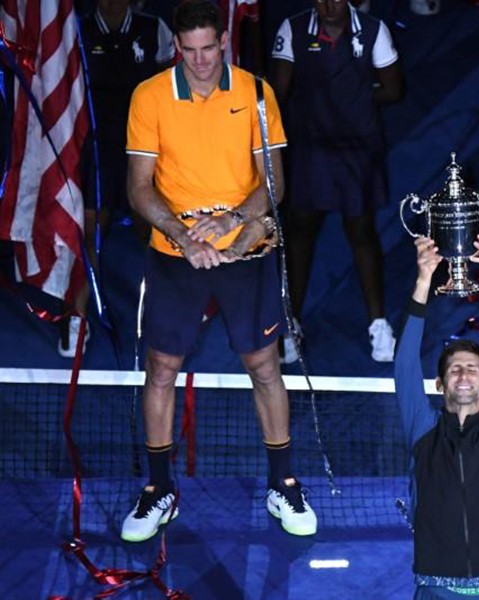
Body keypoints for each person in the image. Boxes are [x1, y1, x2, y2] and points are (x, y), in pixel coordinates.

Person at [120, 0, 315, 542]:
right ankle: (159, 490)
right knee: (160, 367)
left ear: (224, 41)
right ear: (176, 47)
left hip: (245, 251)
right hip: (175, 253)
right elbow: (139, 187)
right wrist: (184, 238)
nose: (201, 61)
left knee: (264, 365)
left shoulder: (256, 93)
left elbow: (274, 180)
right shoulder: (150, 96)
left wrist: (235, 221)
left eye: (209, 48)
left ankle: (285, 483)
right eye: (190, 51)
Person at [270, 0, 405, 364]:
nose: (329, 5)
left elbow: (394, 90)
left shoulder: (374, 31)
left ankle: (378, 324)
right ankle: (291, 323)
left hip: (356, 150)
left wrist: (352, 99)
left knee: (361, 232)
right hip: (310, 149)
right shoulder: (293, 29)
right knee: (300, 233)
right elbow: (277, 92)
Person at [395, 233, 479, 599]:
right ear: (440, 384)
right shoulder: (423, 431)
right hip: (436, 588)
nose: (465, 374)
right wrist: (424, 281)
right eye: (455, 370)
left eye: (472, 369)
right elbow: (404, 364)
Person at [61, 0, 175, 358]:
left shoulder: (152, 28)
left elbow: (169, 89)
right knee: (92, 226)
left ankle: (164, 310)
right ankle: (77, 316)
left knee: (150, 226)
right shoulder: (76, 29)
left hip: (142, 147)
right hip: (96, 145)